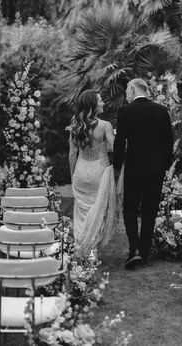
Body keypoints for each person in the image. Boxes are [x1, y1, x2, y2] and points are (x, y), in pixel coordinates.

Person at [113, 78, 173, 270]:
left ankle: (135, 250)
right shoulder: (161, 111)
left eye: (127, 92)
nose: (127, 96)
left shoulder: (126, 111)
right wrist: (165, 166)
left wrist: (116, 166)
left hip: (134, 168)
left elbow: (120, 142)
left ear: (132, 89)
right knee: (149, 211)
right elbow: (168, 142)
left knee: (130, 209)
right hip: (156, 170)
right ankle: (144, 254)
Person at [68, 89, 116, 254]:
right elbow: (113, 148)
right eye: (100, 100)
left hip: (81, 170)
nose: (103, 103)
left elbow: (72, 154)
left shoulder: (75, 124)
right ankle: (91, 248)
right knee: (98, 211)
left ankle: (81, 247)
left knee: (82, 211)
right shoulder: (105, 126)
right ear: (93, 105)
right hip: (99, 172)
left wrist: (72, 175)